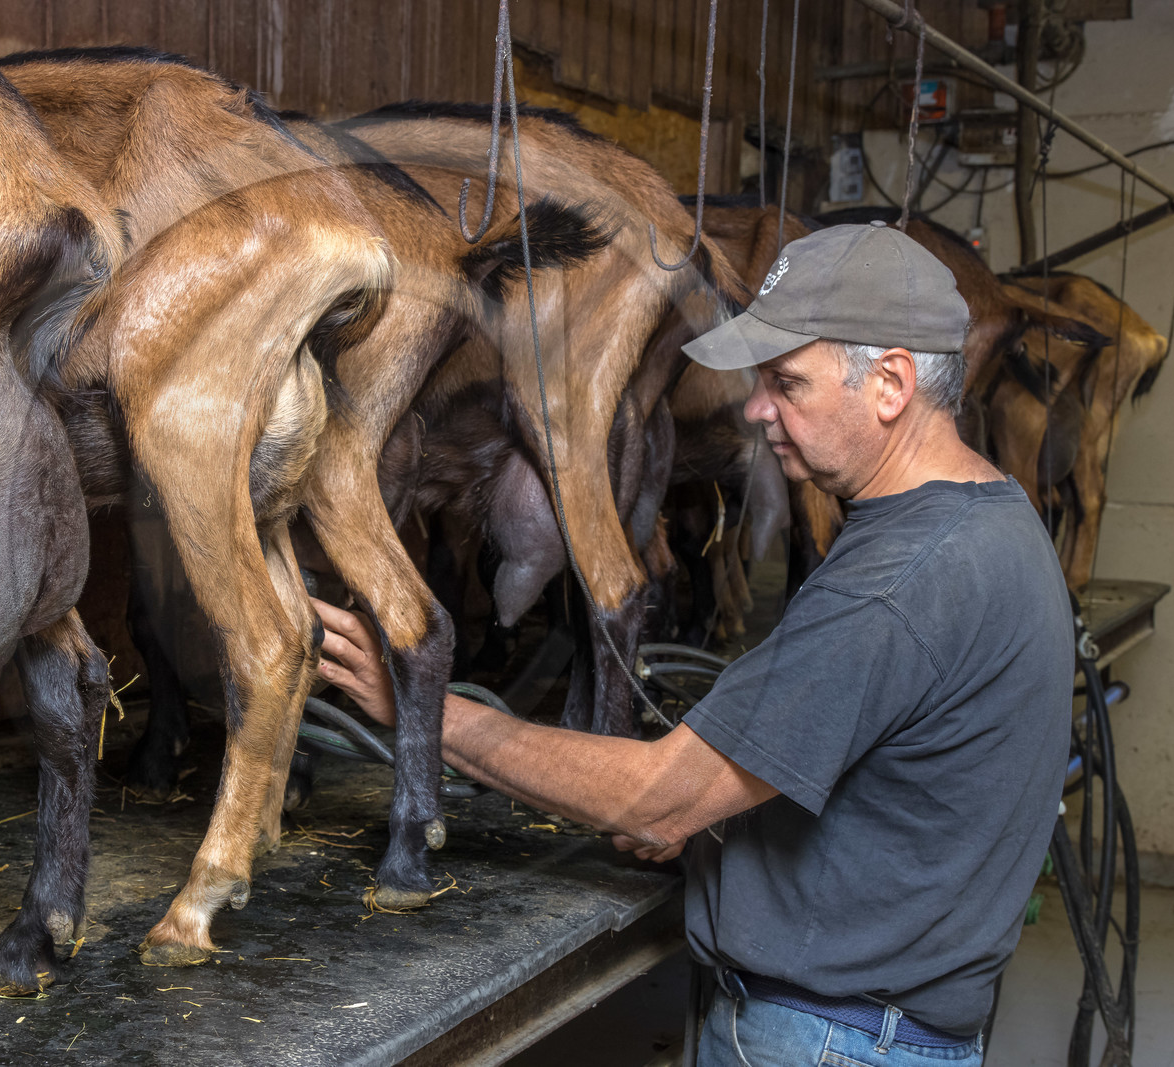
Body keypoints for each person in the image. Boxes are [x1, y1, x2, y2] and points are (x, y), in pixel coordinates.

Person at [311, 222, 1073, 1067]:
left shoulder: (895, 583)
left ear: (890, 383)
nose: (756, 408)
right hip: (885, 1026)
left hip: (827, 1041)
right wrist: (712, 821)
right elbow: (888, 788)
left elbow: (654, 798)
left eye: (787, 382)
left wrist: (426, 711)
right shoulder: (995, 523)